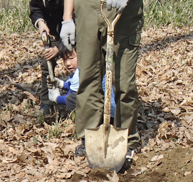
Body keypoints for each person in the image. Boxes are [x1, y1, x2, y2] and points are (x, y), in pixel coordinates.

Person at [60, 0, 143, 170]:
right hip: (87, 8)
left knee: (123, 81)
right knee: (88, 77)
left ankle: (126, 140)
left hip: (123, 11)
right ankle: (89, 137)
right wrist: (67, 18)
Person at [49, 45, 115, 117]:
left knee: (71, 99)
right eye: (64, 59)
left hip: (108, 109)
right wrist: (61, 84)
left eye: (72, 58)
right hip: (107, 104)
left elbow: (70, 96)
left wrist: (56, 98)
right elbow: (74, 85)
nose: (68, 63)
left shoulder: (80, 73)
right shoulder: (88, 67)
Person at [29, 0, 65, 116]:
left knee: (78, 63)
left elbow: (77, 23)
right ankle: (47, 104)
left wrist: (59, 48)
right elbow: (35, 9)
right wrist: (40, 22)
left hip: (74, 34)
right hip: (55, 34)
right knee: (46, 64)